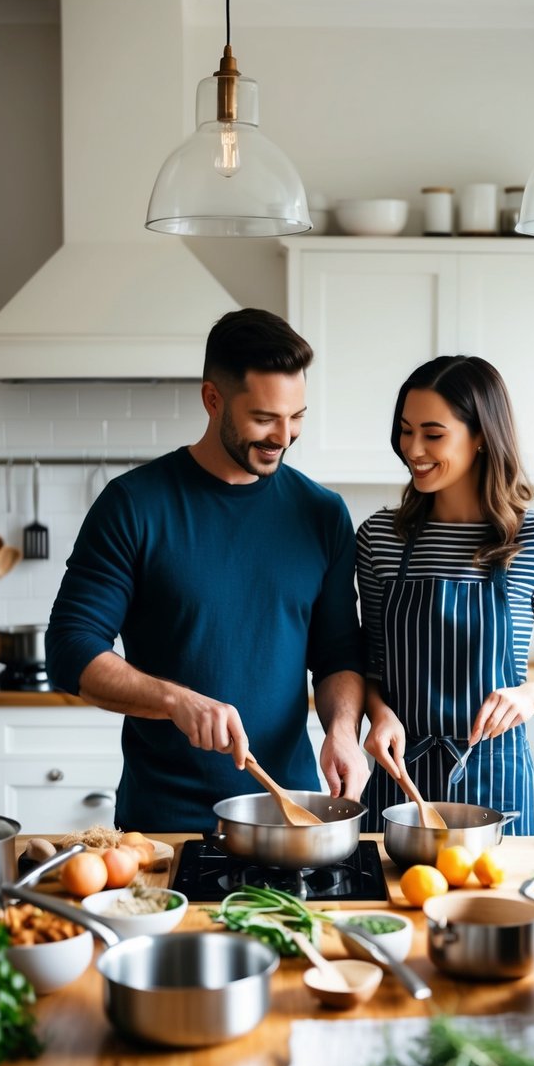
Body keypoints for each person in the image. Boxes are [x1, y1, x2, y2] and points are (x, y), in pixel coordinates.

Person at [46, 308, 369, 833]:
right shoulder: (133, 504)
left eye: (298, 417)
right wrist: (174, 700)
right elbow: (69, 648)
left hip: (289, 816)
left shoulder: (322, 514)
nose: (284, 437)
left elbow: (337, 656)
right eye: (265, 418)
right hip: (164, 824)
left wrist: (342, 730)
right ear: (212, 399)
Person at [357, 354, 534, 834]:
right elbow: (371, 665)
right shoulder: (380, 537)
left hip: (498, 784)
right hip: (400, 781)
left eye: (433, 434)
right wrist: (378, 716)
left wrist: (529, 697)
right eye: (405, 430)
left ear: (481, 436)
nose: (412, 448)